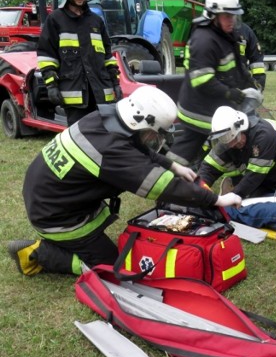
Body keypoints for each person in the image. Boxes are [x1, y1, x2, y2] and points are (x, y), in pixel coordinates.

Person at [7, 86, 241, 277]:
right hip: (56, 217)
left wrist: (172, 165)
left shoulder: (103, 118)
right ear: (140, 122)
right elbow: (163, 187)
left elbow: (136, 146)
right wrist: (216, 199)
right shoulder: (110, 150)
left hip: (53, 197)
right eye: (155, 132)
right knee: (111, 267)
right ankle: (40, 252)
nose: (154, 138)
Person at [166, 0, 266, 167]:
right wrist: (231, 93)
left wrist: (251, 85)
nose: (231, 20)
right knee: (188, 149)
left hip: (215, 105)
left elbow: (237, 67)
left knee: (235, 136)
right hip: (199, 109)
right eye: (227, 16)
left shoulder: (225, 35)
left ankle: (238, 172)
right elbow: (202, 81)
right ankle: (169, 178)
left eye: (234, 15)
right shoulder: (204, 40)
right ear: (213, 15)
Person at [37, 0, 123, 126]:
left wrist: (116, 83)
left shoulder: (96, 21)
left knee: (105, 136)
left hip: (100, 93)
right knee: (79, 138)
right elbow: (47, 56)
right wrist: (51, 85)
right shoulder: (55, 20)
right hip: (74, 95)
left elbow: (107, 56)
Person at [197, 106, 276, 198]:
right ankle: (236, 186)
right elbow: (208, 168)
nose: (233, 145)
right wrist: (198, 192)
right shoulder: (228, 140)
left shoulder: (264, 136)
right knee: (254, 202)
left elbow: (254, 177)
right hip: (274, 176)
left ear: (242, 128)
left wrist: (229, 199)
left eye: (235, 139)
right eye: (228, 143)